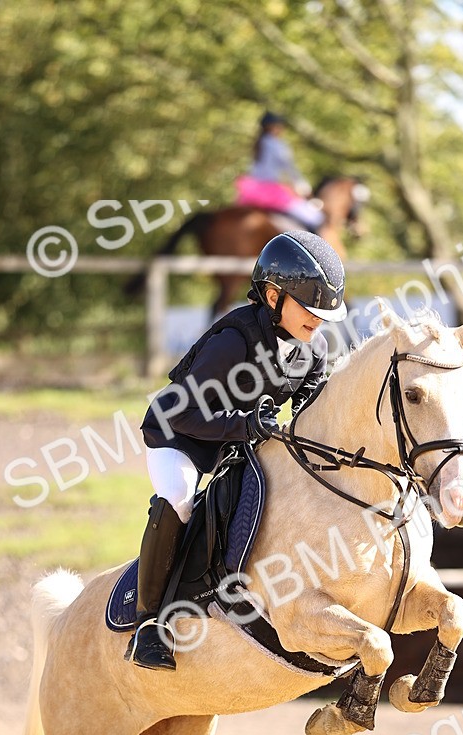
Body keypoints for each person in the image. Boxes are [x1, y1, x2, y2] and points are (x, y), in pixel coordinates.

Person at [128, 230, 348, 671]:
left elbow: (307, 415)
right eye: (309, 307)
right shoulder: (235, 340)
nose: (318, 321)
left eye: (324, 312)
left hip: (238, 446)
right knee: (180, 498)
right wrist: (246, 425)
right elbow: (184, 412)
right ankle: (148, 624)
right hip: (182, 439)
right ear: (272, 296)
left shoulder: (315, 349)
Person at [235, 112, 325, 230]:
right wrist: (304, 187)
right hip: (270, 191)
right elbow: (289, 168)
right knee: (315, 218)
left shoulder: (258, 144)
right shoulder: (277, 145)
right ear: (274, 127)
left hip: (251, 190)